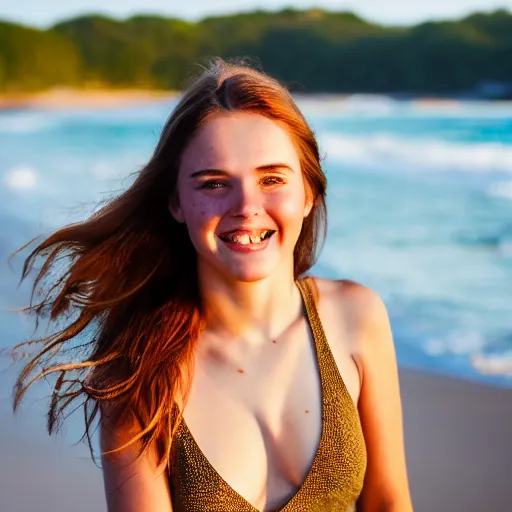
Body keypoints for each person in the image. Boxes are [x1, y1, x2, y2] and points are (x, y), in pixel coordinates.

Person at [11, 58, 412, 511]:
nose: (247, 206)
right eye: (215, 184)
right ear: (177, 202)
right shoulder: (139, 374)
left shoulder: (357, 316)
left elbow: (389, 502)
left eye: (272, 179)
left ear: (309, 193)